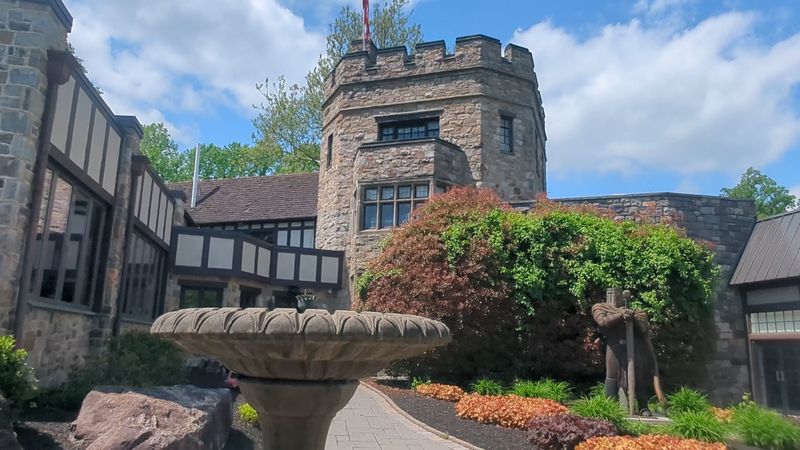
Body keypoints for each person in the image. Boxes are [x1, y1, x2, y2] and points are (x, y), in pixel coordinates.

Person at [591, 289, 658, 416]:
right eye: (610, 293)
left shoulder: (636, 312)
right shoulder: (600, 307)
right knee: (612, 376)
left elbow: (643, 328)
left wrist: (633, 319)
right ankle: (609, 406)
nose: (613, 296)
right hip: (614, 347)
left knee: (638, 376)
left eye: (616, 293)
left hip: (634, 348)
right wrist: (620, 315)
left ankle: (643, 407)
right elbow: (603, 322)